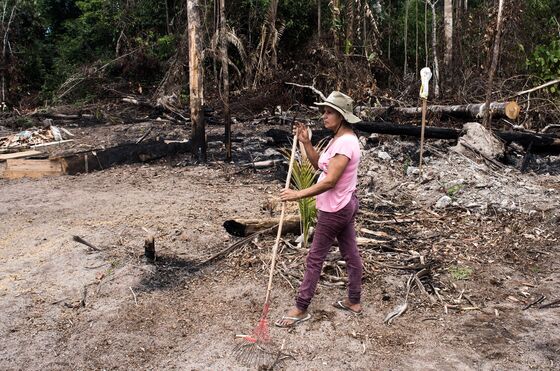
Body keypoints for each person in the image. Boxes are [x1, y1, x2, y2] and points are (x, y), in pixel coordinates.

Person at [275, 91, 363, 328]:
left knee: (315, 257)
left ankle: (301, 307)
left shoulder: (345, 143)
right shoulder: (339, 138)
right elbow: (319, 165)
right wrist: (306, 142)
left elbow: (330, 180)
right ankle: (354, 300)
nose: (324, 116)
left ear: (342, 116)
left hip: (335, 208)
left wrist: (297, 194)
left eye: (329, 112)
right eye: (324, 111)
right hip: (344, 204)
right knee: (351, 253)